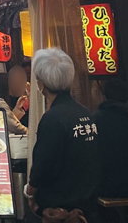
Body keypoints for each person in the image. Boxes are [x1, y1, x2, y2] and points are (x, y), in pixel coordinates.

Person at [25, 47, 101, 219]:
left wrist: (30, 193)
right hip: (88, 204)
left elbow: (42, 164)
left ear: (41, 84)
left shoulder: (52, 119)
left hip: (59, 209)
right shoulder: (85, 113)